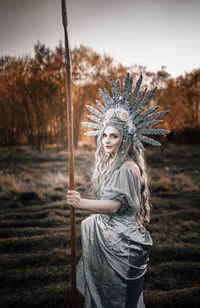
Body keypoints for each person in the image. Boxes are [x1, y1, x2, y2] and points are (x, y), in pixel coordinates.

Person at [67, 73, 169, 308]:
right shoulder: (119, 164)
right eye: (104, 135)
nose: (106, 140)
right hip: (119, 240)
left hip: (122, 244)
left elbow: (113, 207)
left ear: (125, 139)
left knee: (120, 299)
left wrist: (81, 203)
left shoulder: (126, 167)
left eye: (114, 136)